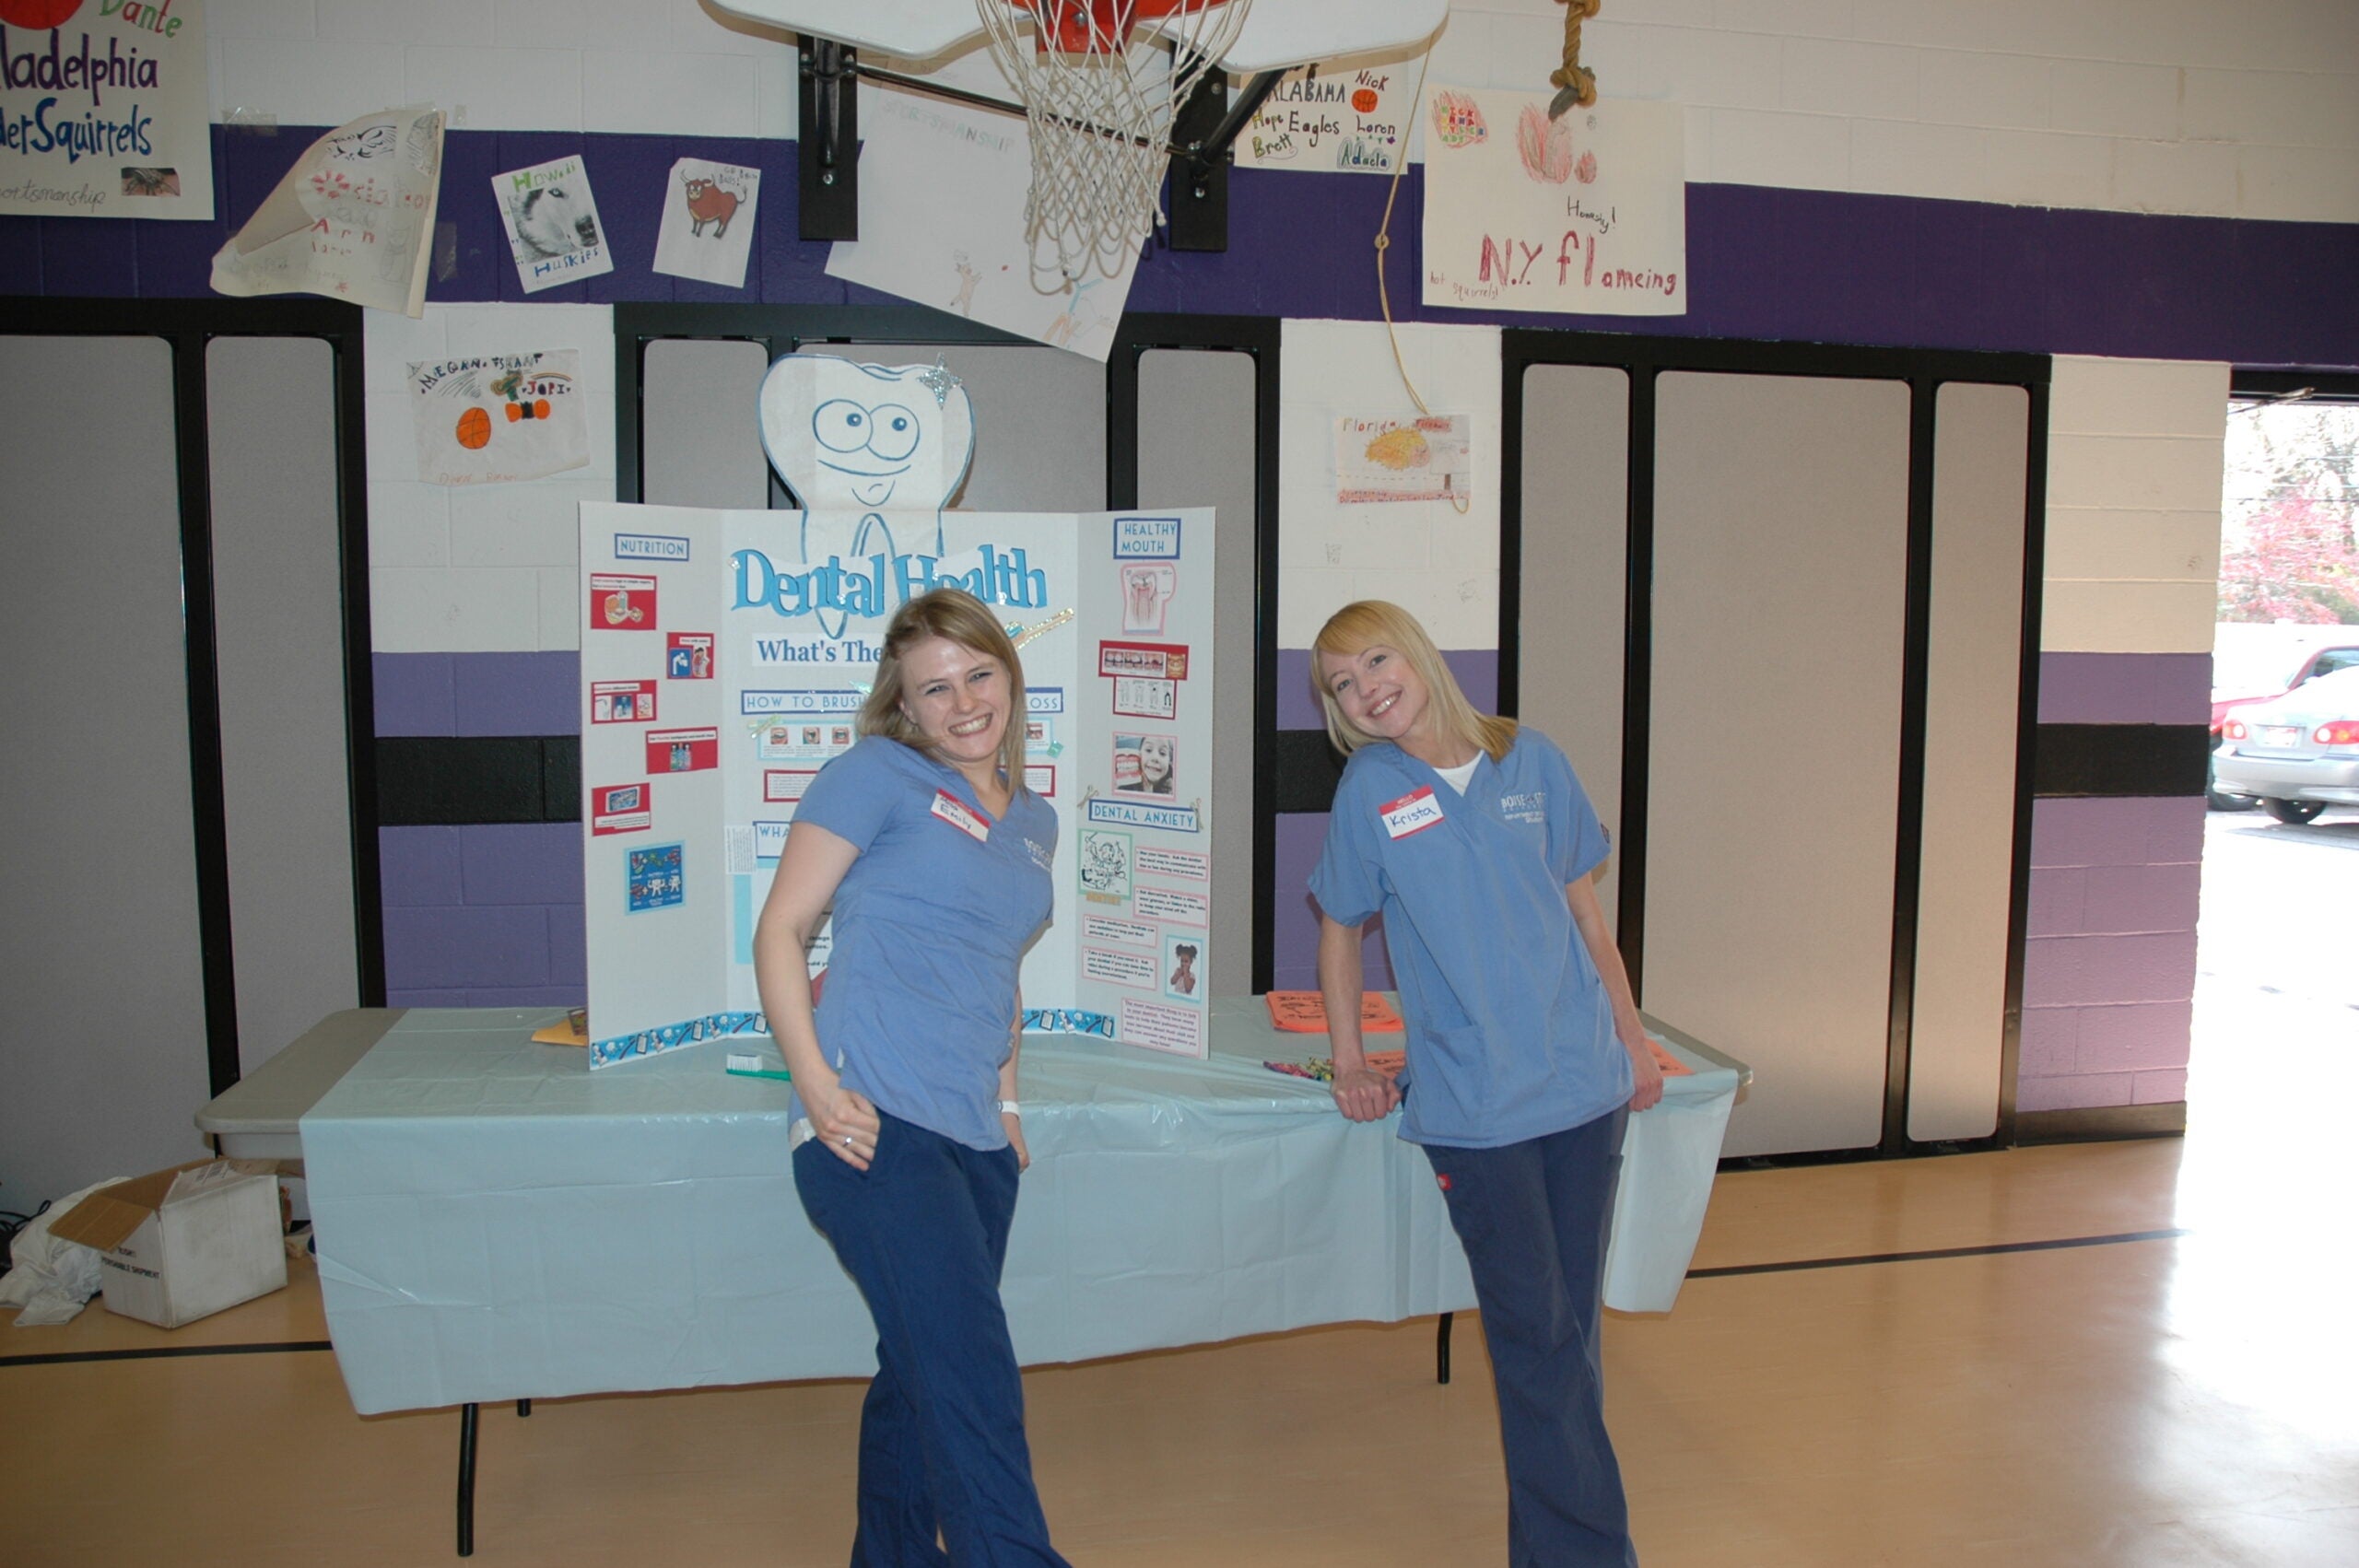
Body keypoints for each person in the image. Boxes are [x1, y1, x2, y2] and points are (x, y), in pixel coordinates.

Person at [1307, 600, 1662, 1568]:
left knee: (1568, 1340)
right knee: (1538, 1342)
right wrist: (1348, 1058)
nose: (1366, 685)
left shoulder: (1529, 758)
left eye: (1375, 658)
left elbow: (1586, 916)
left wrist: (1632, 1041)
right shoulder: (1370, 790)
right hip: (1478, 1108)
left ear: (1417, 652)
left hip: (1583, 1087)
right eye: (1341, 682)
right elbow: (1340, 925)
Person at [754, 586, 1070, 1568]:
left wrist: (1009, 1101)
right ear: (904, 703)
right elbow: (781, 929)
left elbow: (997, 965)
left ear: (1010, 677)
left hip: (975, 1139)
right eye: (934, 688)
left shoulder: (1035, 820)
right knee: (970, 1376)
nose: (963, 701)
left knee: (919, 1370)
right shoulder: (874, 775)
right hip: (873, 1123)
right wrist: (812, 1083)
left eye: (978, 674)